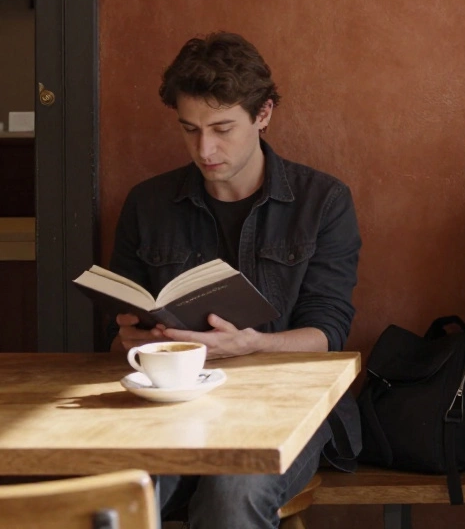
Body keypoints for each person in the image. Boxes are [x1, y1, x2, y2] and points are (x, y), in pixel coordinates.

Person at [109, 32, 361, 528]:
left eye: (222, 128)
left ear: (263, 114)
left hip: (286, 404)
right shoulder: (148, 203)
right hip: (170, 401)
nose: (205, 149)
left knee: (232, 494)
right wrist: (130, 339)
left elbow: (328, 332)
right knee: (124, 495)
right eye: (190, 129)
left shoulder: (322, 201)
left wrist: (252, 345)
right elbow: (125, 311)